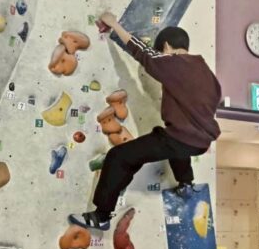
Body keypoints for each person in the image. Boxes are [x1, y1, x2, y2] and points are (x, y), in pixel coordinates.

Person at [68, 12, 222, 231]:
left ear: (166, 47)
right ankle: (186, 183)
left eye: (162, 52)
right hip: (200, 142)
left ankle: (101, 215)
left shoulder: (173, 63)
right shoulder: (206, 73)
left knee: (119, 156)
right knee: (173, 139)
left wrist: (114, 24)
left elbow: (144, 53)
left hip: (180, 138)